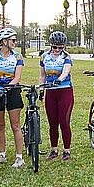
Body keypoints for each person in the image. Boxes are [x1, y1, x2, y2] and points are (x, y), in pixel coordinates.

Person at [0, 27, 25, 168]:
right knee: (0, 125)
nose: (14, 42)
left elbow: (17, 77)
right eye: (12, 40)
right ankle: (2, 154)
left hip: (12, 91)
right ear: (4, 41)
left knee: (15, 125)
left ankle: (19, 157)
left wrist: (8, 87)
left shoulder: (18, 56)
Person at [41, 31, 74, 161]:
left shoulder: (66, 57)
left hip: (64, 90)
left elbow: (66, 70)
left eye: (60, 47)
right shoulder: (44, 57)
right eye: (55, 47)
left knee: (64, 121)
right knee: (52, 122)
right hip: (50, 92)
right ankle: (54, 149)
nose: (57, 50)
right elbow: (42, 74)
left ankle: (66, 150)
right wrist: (42, 88)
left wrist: (59, 79)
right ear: (51, 45)